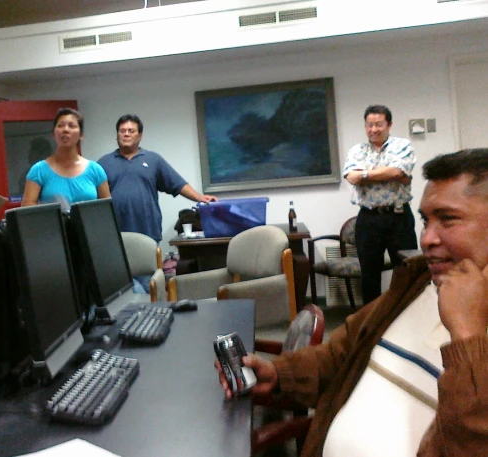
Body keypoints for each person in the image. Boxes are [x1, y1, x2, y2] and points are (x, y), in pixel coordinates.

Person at [216, 148, 488, 456]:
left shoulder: (471, 334)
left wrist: (468, 340)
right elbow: (339, 355)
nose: (426, 239)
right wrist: (277, 373)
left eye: (448, 219)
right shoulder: (416, 283)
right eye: (426, 220)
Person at [98, 114, 217, 244]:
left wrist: (199, 197)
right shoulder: (103, 163)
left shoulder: (153, 160)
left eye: (131, 131)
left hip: (148, 231)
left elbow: (177, 184)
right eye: (122, 131)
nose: (126, 134)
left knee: (149, 265)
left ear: (140, 135)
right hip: (114, 233)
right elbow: (93, 198)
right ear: (117, 135)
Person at [342, 104, 418, 304]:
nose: (373, 129)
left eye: (378, 124)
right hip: (368, 218)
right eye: (369, 125)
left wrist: (366, 174)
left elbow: (398, 172)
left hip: (398, 217)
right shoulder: (357, 150)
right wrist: (387, 173)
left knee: (407, 271)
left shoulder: (402, 145)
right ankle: (371, 325)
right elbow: (352, 177)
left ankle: (409, 323)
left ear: (389, 125)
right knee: (369, 275)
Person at [21, 108, 110, 207]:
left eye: (72, 126)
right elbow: (27, 213)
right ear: (53, 134)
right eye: (60, 125)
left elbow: (107, 211)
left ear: (81, 134)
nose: (65, 130)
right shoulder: (38, 170)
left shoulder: (96, 170)